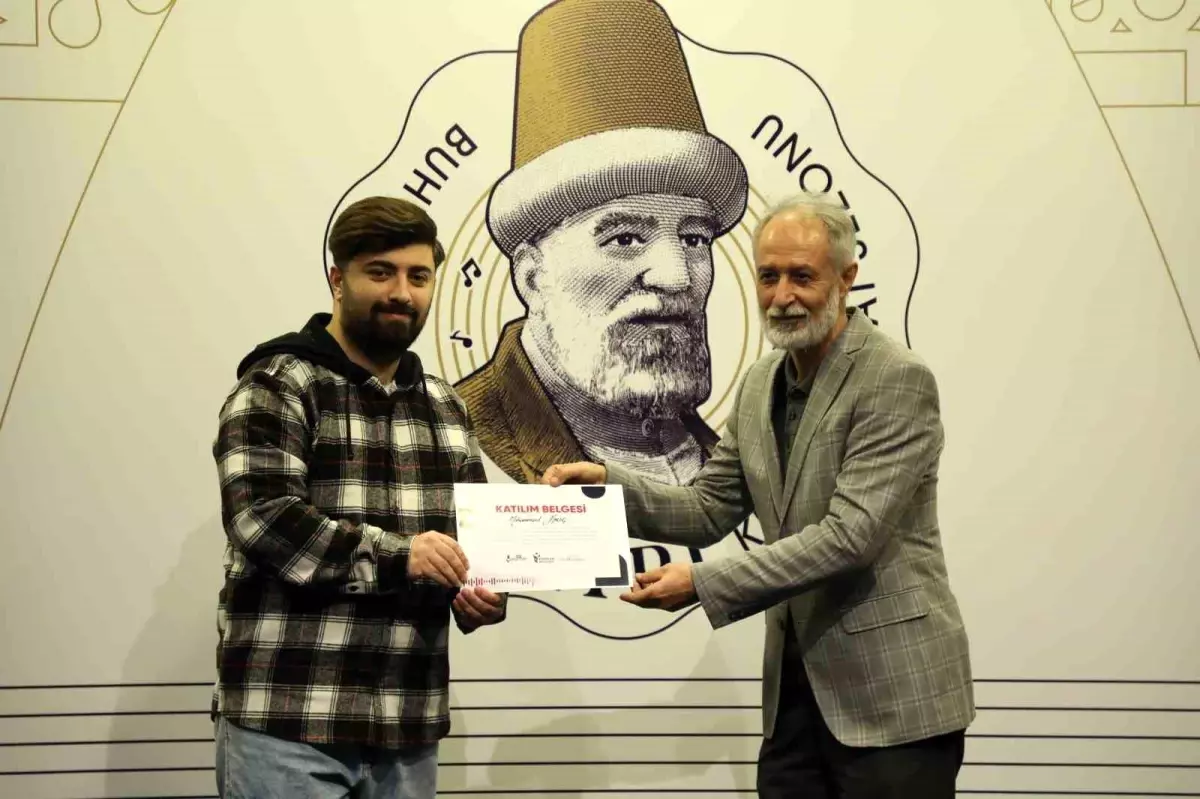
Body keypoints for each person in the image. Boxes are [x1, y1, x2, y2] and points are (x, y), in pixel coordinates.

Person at [542, 193, 975, 797]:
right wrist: (608, 487)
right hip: (795, 699)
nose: (782, 296)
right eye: (769, 276)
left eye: (803, 276)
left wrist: (702, 583)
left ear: (846, 278)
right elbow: (707, 509)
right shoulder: (759, 382)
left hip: (895, 695)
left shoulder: (894, 377)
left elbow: (849, 538)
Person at [210, 196, 506, 799]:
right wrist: (404, 557)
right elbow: (264, 520)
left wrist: (481, 590)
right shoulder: (277, 384)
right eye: (381, 272)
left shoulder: (447, 407)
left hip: (408, 724)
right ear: (337, 280)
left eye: (418, 276)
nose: (402, 292)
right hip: (289, 723)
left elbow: (471, 542)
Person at [454, 0, 748, 486]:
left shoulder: (726, 463)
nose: (676, 275)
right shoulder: (451, 436)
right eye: (625, 238)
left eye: (694, 237)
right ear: (533, 278)